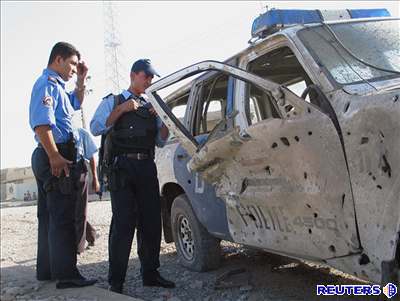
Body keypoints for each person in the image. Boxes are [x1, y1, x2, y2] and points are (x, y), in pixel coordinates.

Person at [90, 59, 174, 294]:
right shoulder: (113, 101)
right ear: (133, 75)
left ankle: (150, 273)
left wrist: (163, 117)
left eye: (151, 78)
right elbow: (96, 127)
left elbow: (160, 139)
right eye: (146, 76)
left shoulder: (151, 105)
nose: (149, 81)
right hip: (122, 169)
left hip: (147, 166)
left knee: (151, 222)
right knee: (124, 224)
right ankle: (116, 281)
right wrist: (121, 110)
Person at [29, 42, 97, 289]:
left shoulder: (59, 87)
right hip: (55, 155)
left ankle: (48, 270)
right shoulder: (46, 85)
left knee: (50, 217)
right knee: (63, 217)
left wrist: (81, 79)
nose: (74, 69)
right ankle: (67, 274)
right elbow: (41, 124)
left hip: (53, 154)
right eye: (72, 64)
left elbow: (76, 103)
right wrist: (55, 156)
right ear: (58, 59)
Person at [74, 128, 99, 254]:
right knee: (72, 210)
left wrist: (95, 178)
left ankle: (78, 248)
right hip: (63, 174)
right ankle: (91, 234)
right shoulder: (56, 132)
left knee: (80, 211)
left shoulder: (81, 133)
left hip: (80, 173)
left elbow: (91, 157)